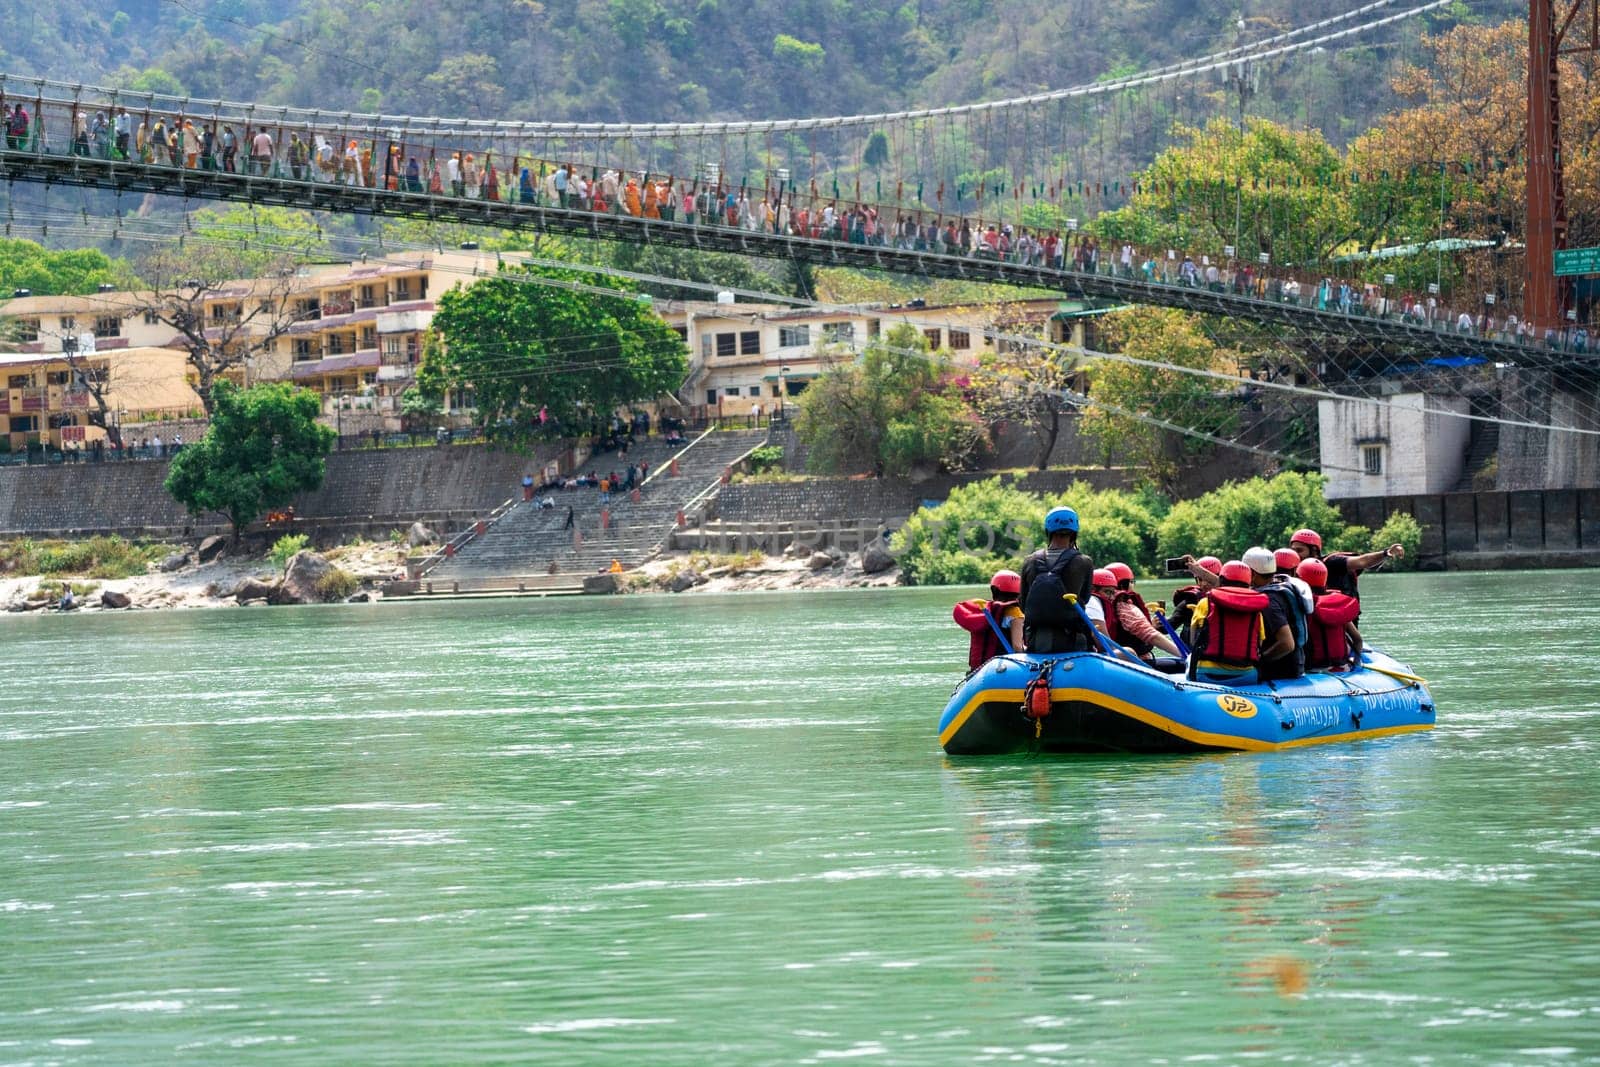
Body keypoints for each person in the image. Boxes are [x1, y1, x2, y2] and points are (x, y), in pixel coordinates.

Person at [1019, 506, 1097, 654]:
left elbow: (1023, 604)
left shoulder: (1029, 561)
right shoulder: (1083, 562)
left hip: (1036, 641)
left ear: (1048, 531)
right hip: (1073, 641)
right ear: (1074, 532)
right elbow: (1085, 599)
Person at [1187, 560, 1275, 686]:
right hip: (1246, 676)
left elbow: (1193, 640)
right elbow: (1259, 644)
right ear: (1249, 584)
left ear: (1221, 581)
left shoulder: (1205, 603)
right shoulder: (1256, 611)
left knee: (1189, 658)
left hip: (1207, 674)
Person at [1288, 528, 1405, 603]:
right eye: (1293, 550)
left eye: (1299, 550)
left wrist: (1385, 553)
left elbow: (1362, 561)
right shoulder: (1295, 570)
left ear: (1314, 550)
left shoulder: (1332, 562)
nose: (1295, 554)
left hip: (1343, 621)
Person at [1093, 563, 1181, 662]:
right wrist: (1184, 654)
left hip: (1109, 659)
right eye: (1131, 581)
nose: (1133, 585)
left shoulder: (1095, 605)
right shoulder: (1124, 607)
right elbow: (1151, 635)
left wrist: (1150, 625)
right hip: (1135, 662)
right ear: (1123, 584)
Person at [1244, 546, 1304, 682]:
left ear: (1252, 574)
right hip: (1294, 665)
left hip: (1280, 672)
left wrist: (1260, 660)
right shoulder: (1280, 587)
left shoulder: (1268, 601)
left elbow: (1287, 643)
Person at [1297, 558, 1363, 671]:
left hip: (1313, 670)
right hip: (1342, 667)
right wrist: (1356, 664)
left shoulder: (1302, 606)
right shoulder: (1338, 606)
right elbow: (1357, 640)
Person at [952, 570, 1024, 669]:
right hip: (1005, 667)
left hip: (980, 668)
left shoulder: (985, 611)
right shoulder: (1015, 612)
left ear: (994, 590)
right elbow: (1018, 647)